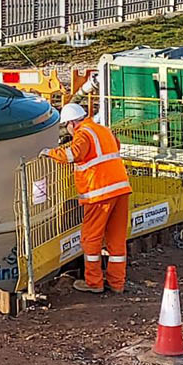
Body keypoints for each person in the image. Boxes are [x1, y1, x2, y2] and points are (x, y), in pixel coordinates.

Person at [41, 102, 132, 294]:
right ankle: (117, 283)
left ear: (73, 123)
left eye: (67, 126)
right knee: (116, 239)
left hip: (99, 191)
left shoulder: (83, 133)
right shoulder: (102, 130)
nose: (68, 131)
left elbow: (74, 154)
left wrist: (49, 153)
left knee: (91, 238)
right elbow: (116, 145)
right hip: (121, 188)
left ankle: (94, 283)